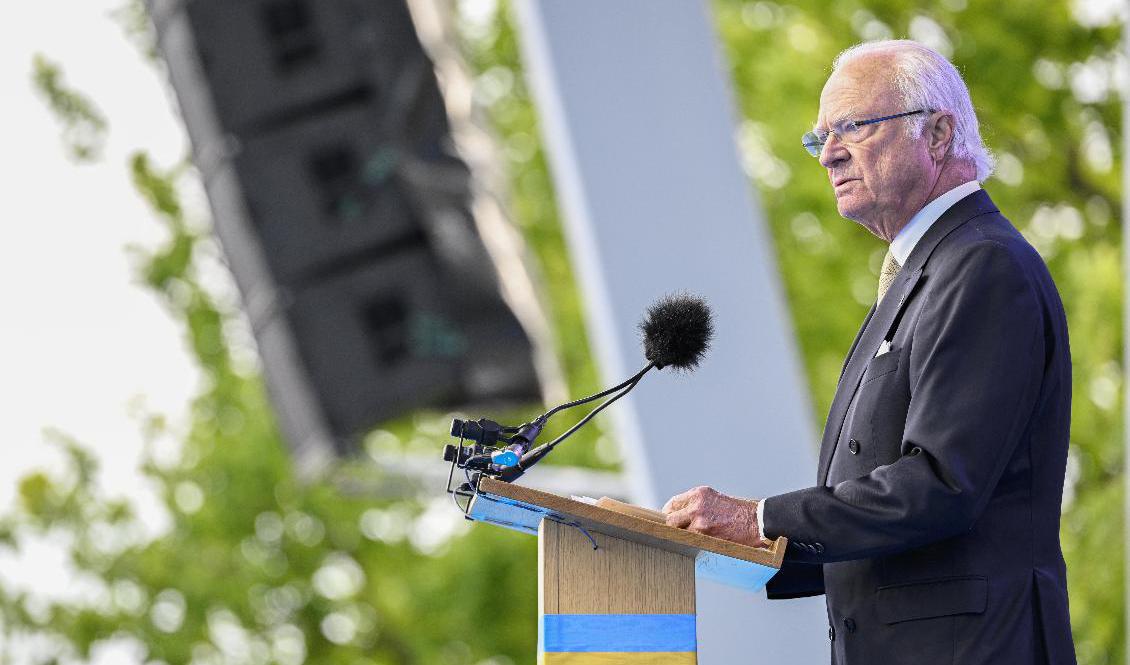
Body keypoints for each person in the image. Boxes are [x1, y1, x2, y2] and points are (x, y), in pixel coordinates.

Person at [662, 40, 1075, 664]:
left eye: (851, 126)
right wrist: (743, 551)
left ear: (938, 133)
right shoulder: (928, 270)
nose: (828, 154)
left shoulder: (983, 267)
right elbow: (891, 521)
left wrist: (765, 519)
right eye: (819, 137)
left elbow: (941, 485)